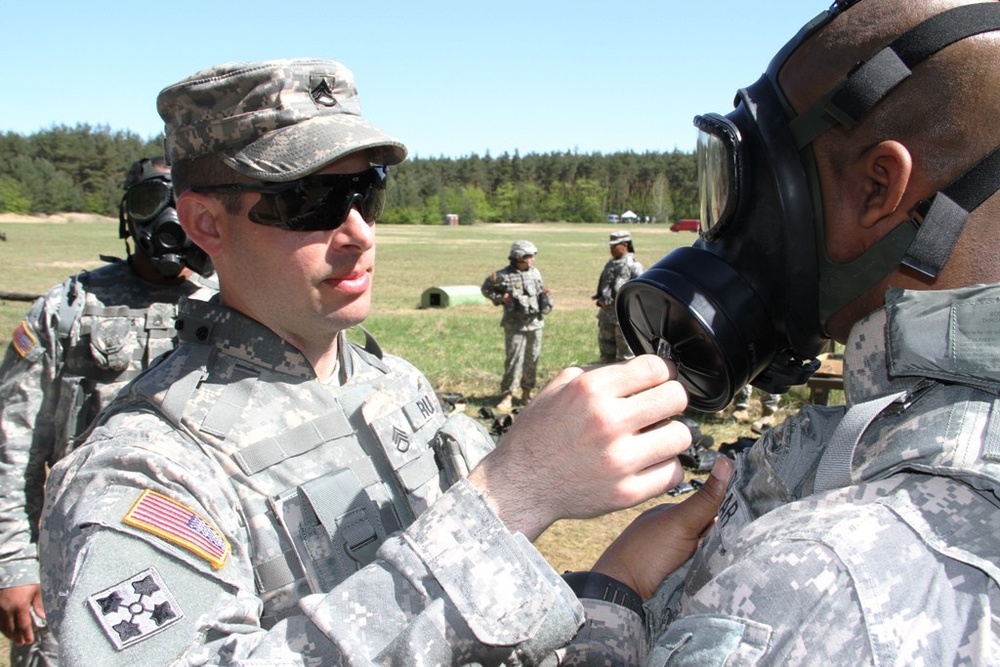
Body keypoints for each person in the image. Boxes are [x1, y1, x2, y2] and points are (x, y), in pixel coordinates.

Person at [38, 58, 709, 665]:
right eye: (310, 201)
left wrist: (619, 579)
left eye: (366, 191)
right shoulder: (146, 470)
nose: (358, 232)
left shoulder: (398, 388)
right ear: (207, 223)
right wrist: (510, 495)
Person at [572, 0, 1000, 662]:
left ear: (878, 187)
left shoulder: (813, 584)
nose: (740, 225)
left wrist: (615, 589)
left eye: (769, 185)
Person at [0, 157, 217, 666]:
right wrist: (13, 561)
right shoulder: (68, 310)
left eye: (178, 206)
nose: (165, 222)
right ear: (128, 217)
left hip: (196, 553)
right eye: (148, 203)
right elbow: (12, 446)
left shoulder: (230, 309)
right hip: (74, 558)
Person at [481, 240, 552, 411]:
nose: (532, 259)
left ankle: (527, 393)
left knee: (532, 359)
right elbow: (486, 288)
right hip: (515, 325)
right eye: (529, 256)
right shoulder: (502, 276)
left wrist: (545, 295)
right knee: (513, 360)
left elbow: (539, 289)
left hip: (535, 323)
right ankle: (508, 395)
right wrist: (500, 298)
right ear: (519, 257)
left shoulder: (535, 273)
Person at [593, 230, 643, 364]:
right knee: (605, 357)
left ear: (624, 245)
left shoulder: (634, 266)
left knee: (626, 359)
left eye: (614, 246)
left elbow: (639, 293)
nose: (611, 249)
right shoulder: (610, 264)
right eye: (610, 246)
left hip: (623, 319)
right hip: (606, 317)